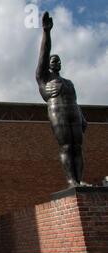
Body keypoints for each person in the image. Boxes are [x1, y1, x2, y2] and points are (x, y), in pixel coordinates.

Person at [36, 12, 87, 186]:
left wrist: (82, 117)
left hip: (74, 113)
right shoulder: (43, 78)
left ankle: (80, 180)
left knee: (77, 148)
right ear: (48, 64)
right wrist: (47, 32)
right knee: (66, 146)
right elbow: (44, 53)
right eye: (53, 60)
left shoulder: (69, 82)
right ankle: (72, 181)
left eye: (58, 60)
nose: (56, 62)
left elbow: (76, 101)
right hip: (58, 114)